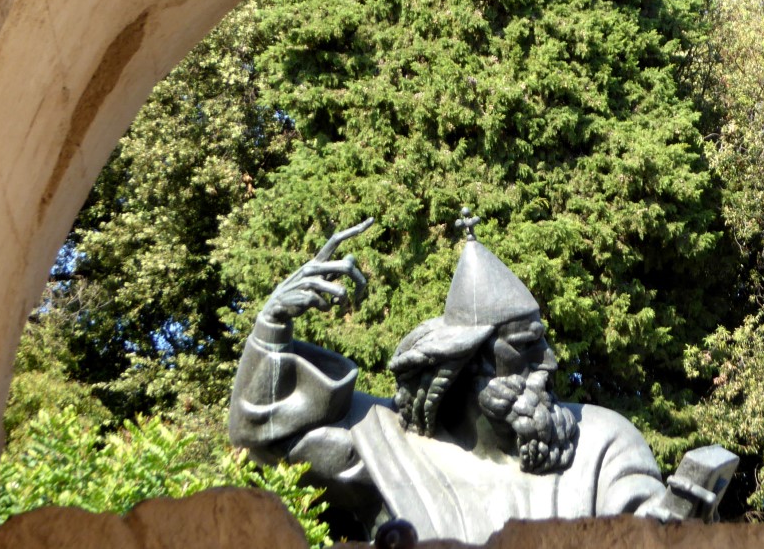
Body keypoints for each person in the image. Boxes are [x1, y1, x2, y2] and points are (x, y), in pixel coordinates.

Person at [229, 213, 735, 543]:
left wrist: (682, 517)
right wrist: (270, 329)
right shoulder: (387, 443)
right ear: (471, 363)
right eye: (526, 346)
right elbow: (265, 433)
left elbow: (645, 533)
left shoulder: (601, 442)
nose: (551, 360)